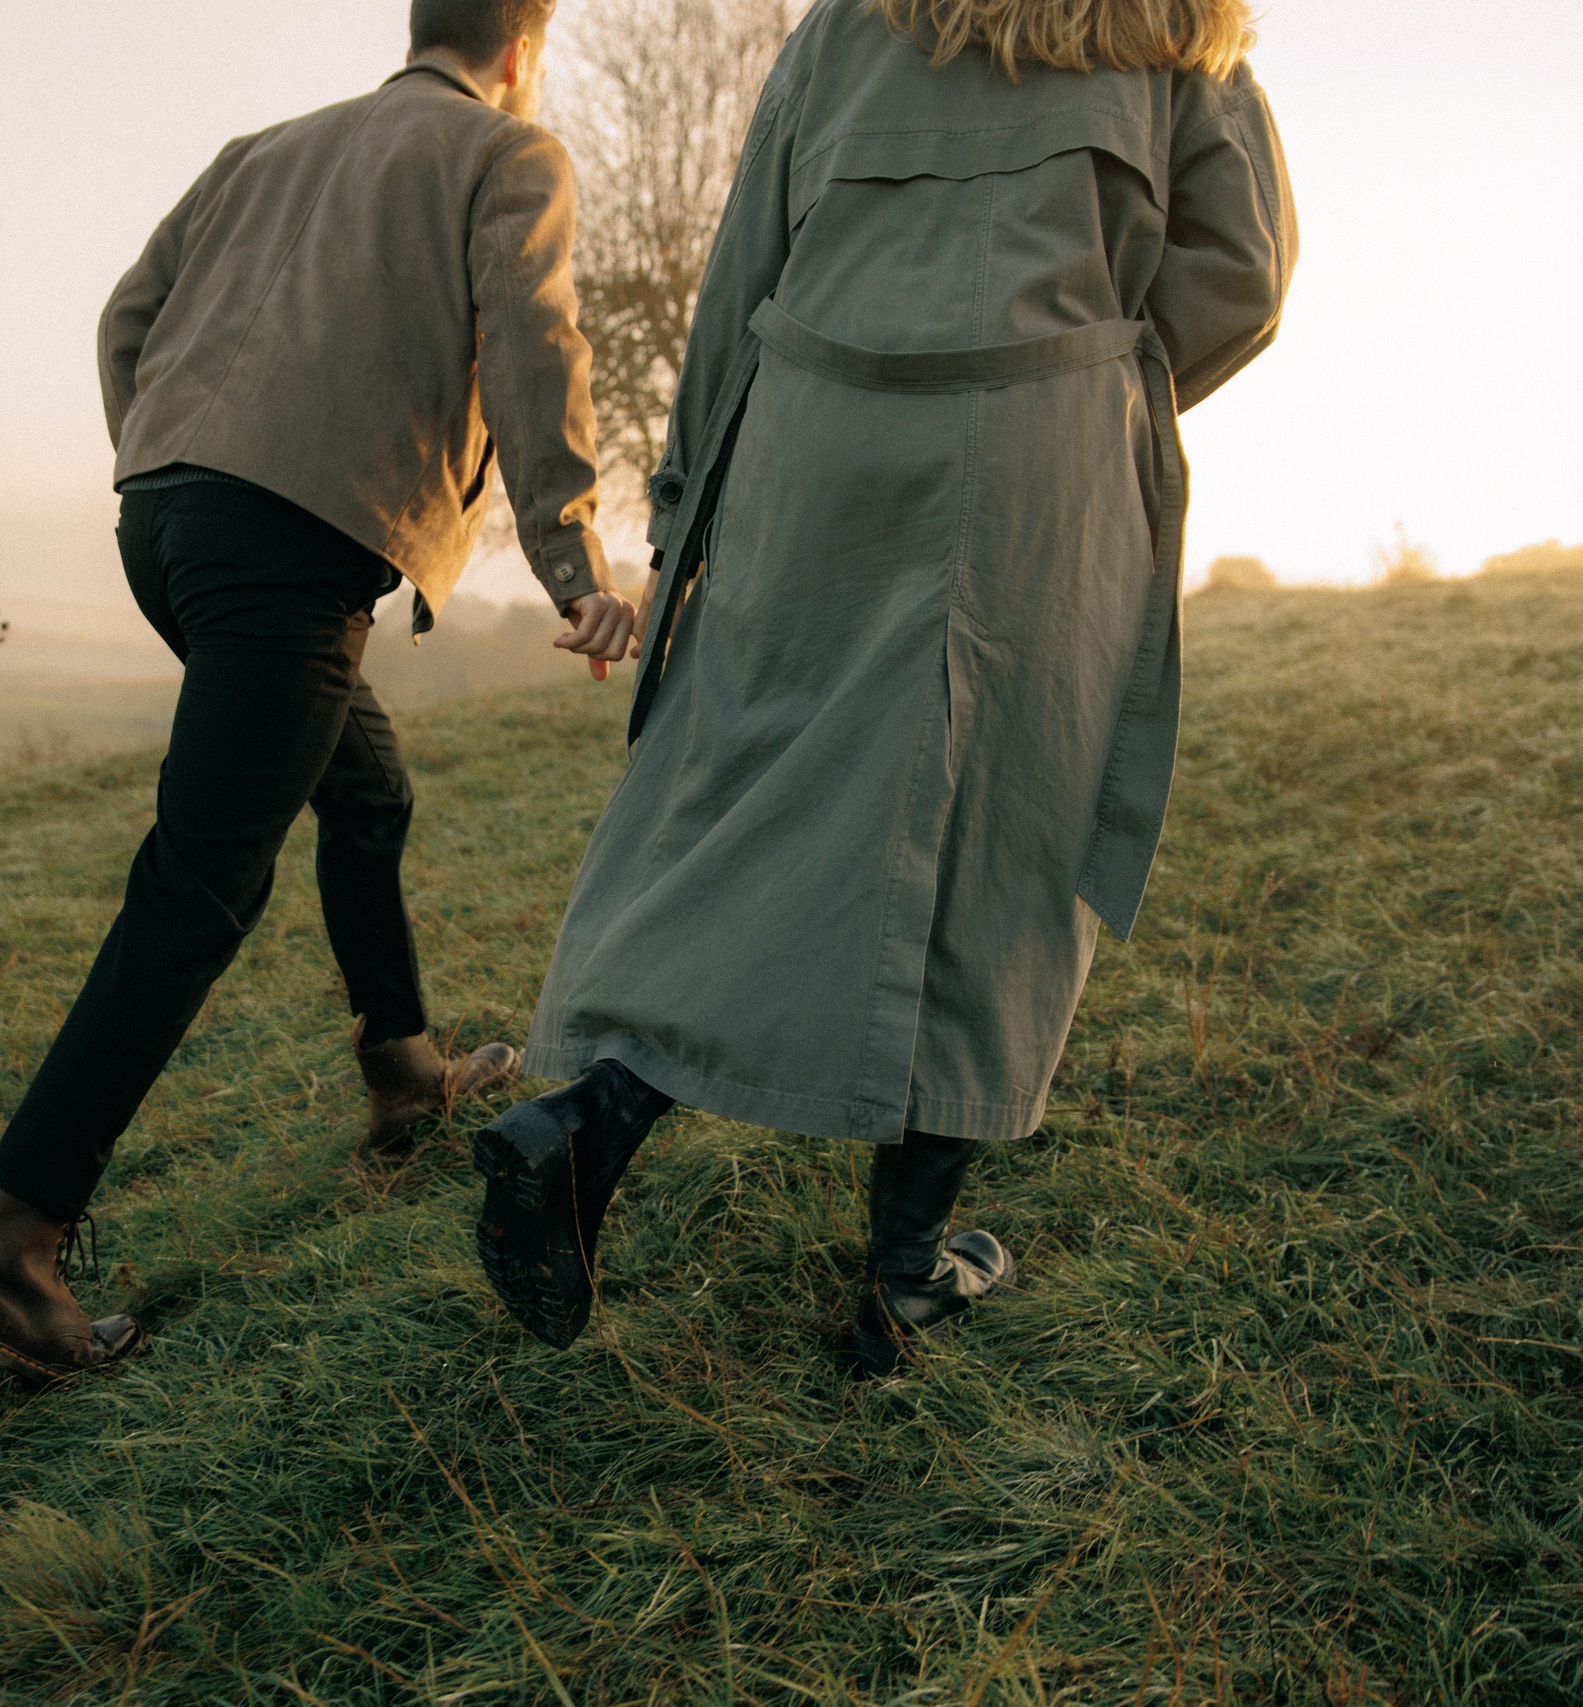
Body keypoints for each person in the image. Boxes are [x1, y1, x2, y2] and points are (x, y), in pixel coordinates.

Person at [475, 0, 1296, 1373]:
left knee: (761, 797)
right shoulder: (1175, 31)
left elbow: (743, 279)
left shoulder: (849, 24)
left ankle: (584, 1130)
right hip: (1042, 442)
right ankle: (903, 1276)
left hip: (815, 438)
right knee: (1004, 841)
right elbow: (1242, 275)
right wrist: (1092, 380)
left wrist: (688, 513)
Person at [0, 0, 640, 1384]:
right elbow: (534, 341)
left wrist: (170, 455)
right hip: (289, 546)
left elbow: (128, 314)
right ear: (522, 48)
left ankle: (402, 1068)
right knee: (200, 885)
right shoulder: (510, 155)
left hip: (169, 525)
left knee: (366, 786)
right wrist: (572, 557)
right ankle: (1, 1263)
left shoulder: (264, 146)